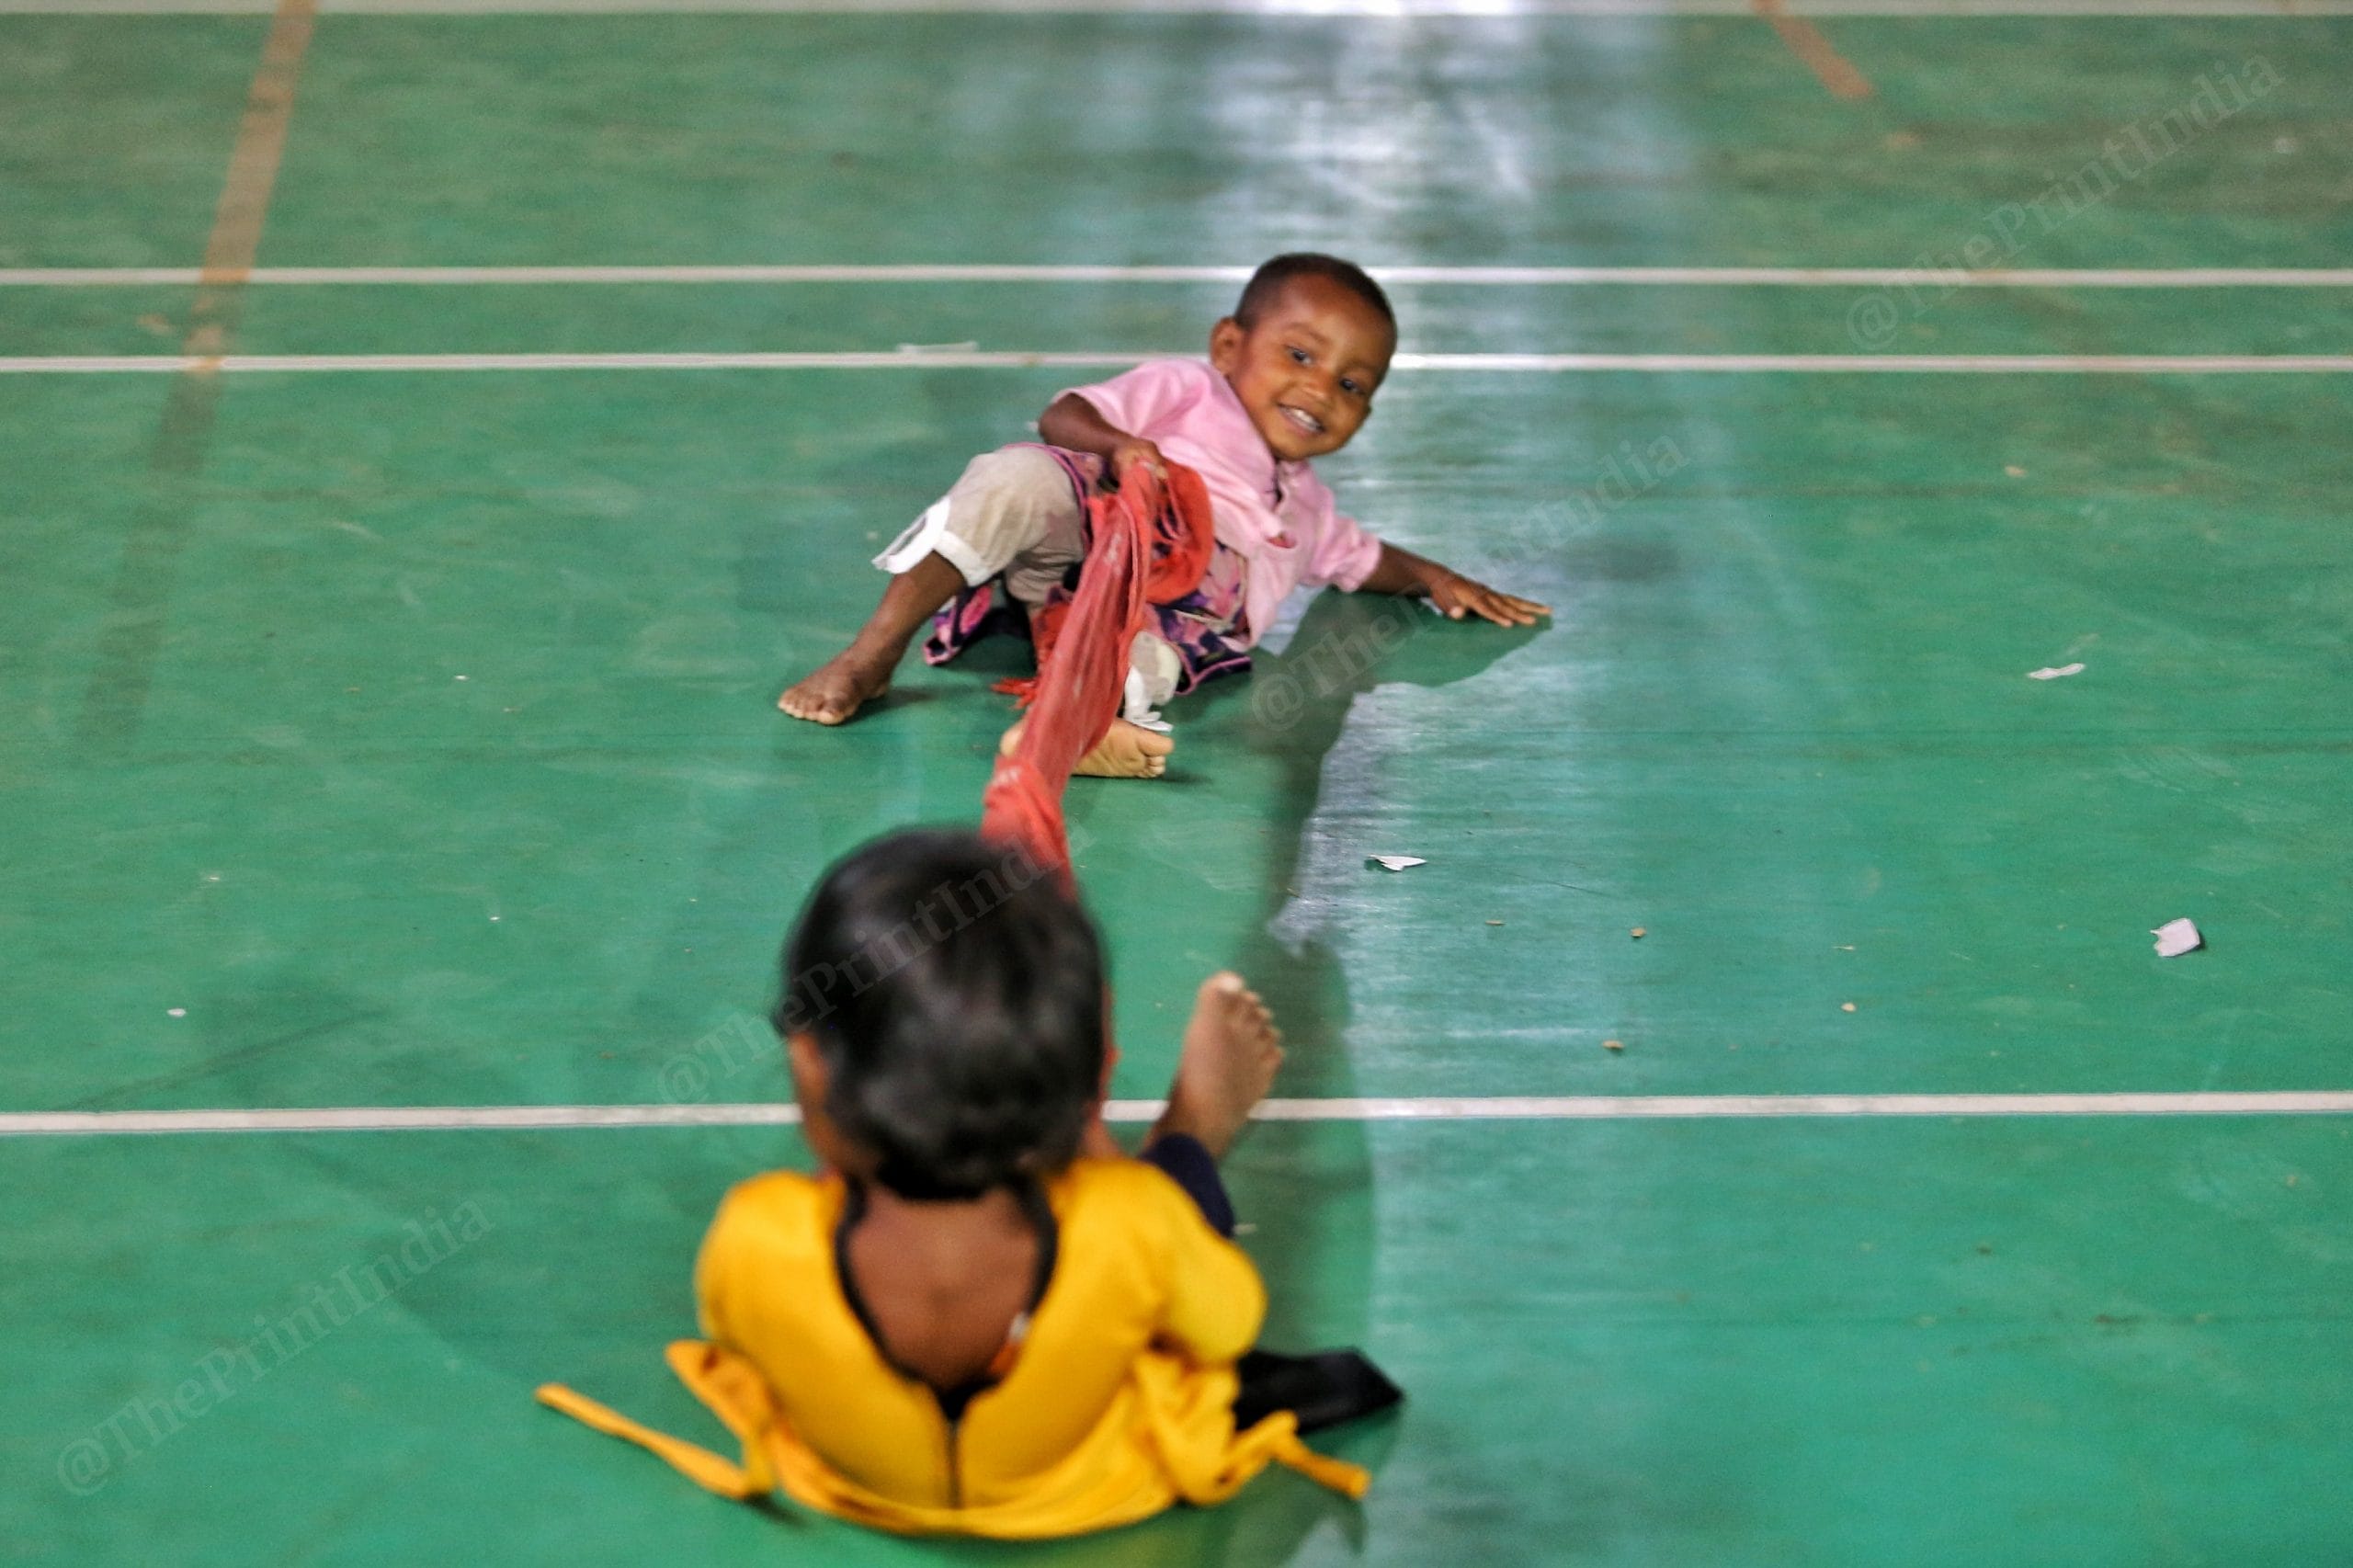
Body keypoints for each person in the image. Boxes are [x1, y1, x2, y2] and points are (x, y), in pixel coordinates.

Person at [537, 829, 1384, 1536]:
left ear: (808, 1062)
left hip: (848, 1484)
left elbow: (738, 1334)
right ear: (1083, 1085)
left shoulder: (757, 1235)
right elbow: (1227, 1328)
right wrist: (1120, 1174)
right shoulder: (1132, 1223)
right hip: (1096, 1486)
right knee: (1152, 1236)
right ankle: (1188, 1134)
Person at [779, 254, 1551, 778]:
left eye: (1354, 385)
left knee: (1155, 662)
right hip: (1083, 537)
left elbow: (1362, 560)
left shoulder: (1308, 506)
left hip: (1167, 613)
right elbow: (1064, 414)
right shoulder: (1189, 389)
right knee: (1014, 478)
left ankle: (1078, 721)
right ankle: (871, 654)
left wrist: (1435, 578)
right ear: (1227, 345)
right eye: (1302, 357)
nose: (1322, 391)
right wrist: (1121, 449)